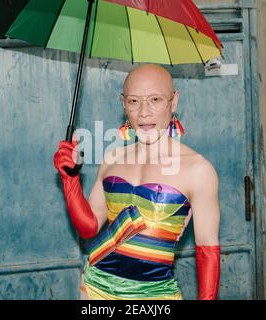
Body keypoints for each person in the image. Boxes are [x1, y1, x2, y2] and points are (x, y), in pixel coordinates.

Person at [54, 64, 220, 300]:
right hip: (94, 290)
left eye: (155, 99)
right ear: (123, 104)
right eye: (133, 101)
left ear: (174, 101)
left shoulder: (198, 169)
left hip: (154, 297)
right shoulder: (112, 158)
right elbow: (88, 227)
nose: (143, 112)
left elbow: (207, 251)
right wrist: (70, 180)